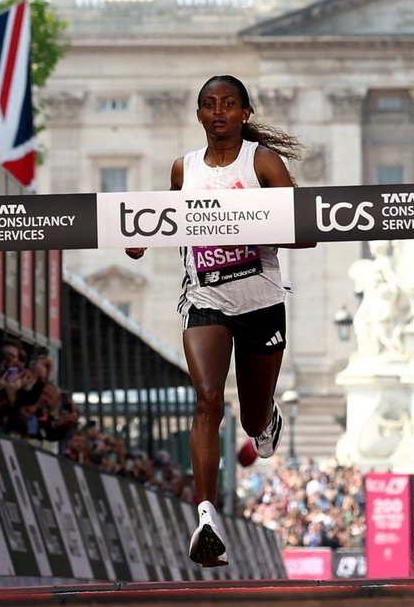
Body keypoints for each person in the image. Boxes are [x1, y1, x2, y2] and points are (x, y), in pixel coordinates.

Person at [126, 74, 313, 568]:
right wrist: (140, 238)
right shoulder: (183, 169)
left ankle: (266, 416)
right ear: (198, 114)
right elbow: (164, 217)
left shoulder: (263, 163)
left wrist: (250, 221)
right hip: (205, 296)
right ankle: (206, 516)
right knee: (208, 399)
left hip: (260, 299)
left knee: (250, 418)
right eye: (209, 105)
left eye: (228, 104)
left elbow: (304, 233)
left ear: (245, 113)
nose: (218, 112)